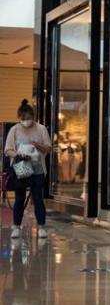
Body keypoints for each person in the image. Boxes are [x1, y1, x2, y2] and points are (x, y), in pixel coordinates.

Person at [4, 100, 52, 239]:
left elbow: (48, 148)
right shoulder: (15, 130)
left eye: (29, 118)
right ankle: (16, 227)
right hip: (21, 168)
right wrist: (19, 155)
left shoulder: (41, 129)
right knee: (19, 199)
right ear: (20, 118)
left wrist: (37, 145)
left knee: (38, 198)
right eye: (24, 119)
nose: (27, 121)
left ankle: (42, 227)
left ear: (33, 116)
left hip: (37, 169)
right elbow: (8, 150)